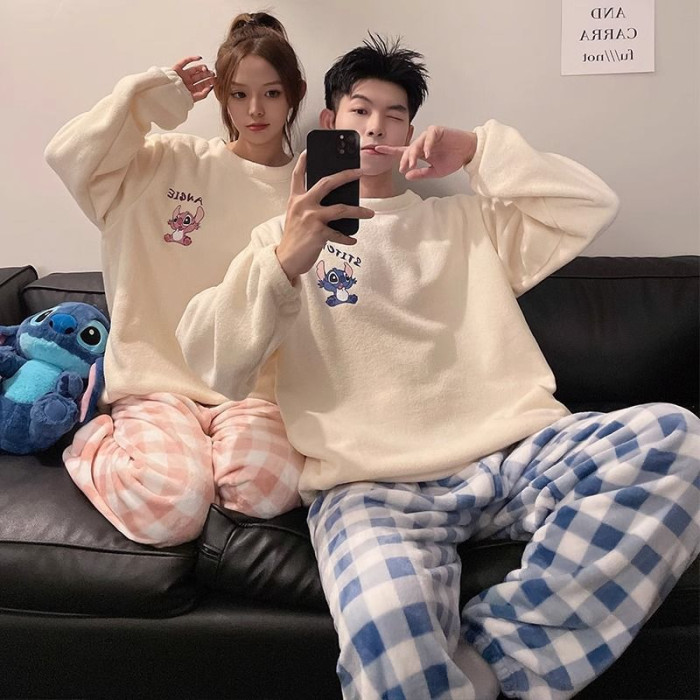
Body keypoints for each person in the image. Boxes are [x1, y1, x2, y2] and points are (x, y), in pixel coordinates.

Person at [176, 35, 700, 700]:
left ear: (410, 132)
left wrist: (480, 152)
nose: (375, 126)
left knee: (679, 439)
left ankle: (496, 661)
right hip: (368, 486)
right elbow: (213, 363)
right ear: (329, 123)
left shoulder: (467, 222)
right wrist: (285, 260)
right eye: (359, 111)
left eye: (393, 115)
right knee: (389, 638)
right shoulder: (281, 243)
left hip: (510, 457)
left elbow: (590, 205)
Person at [44, 12, 307, 548]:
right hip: (157, 383)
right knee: (170, 509)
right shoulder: (167, 162)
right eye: (238, 94)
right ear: (222, 98)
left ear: (294, 94)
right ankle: (96, 438)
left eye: (272, 93)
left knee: (262, 490)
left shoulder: (307, 190)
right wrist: (146, 98)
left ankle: (200, 459)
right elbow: (68, 156)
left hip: (256, 394)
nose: (255, 111)